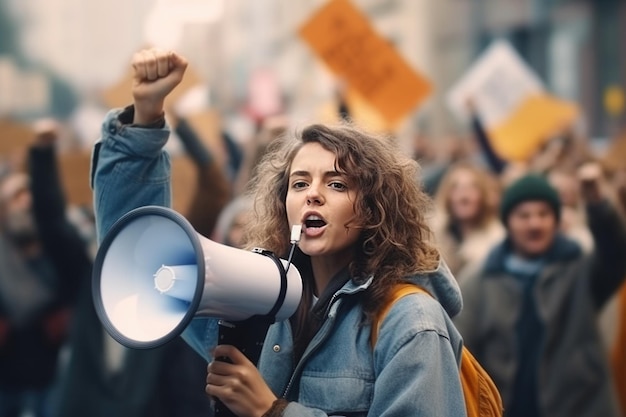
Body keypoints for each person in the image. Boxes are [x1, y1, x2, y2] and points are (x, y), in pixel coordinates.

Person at [91, 48, 467, 416]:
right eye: (299, 184)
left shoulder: (412, 322)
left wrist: (271, 410)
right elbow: (137, 243)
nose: (313, 194)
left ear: (374, 208)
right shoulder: (259, 299)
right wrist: (145, 118)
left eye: (337, 184)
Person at [454, 168, 626, 417]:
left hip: (580, 407)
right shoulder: (480, 280)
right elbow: (462, 352)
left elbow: (616, 252)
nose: (534, 223)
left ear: (556, 220)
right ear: (508, 222)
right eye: (524, 215)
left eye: (543, 214)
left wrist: (598, 203)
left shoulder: (579, 269)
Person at [0, 121, 91, 417]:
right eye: (15, 197)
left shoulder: (62, 255)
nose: (25, 202)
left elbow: (51, 215)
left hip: (55, 390)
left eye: (30, 195)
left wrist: (42, 154)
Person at [431, 161, 504, 279]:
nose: (463, 195)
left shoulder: (497, 240)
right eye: (456, 187)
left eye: (472, 187)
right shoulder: (432, 238)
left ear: (483, 195)